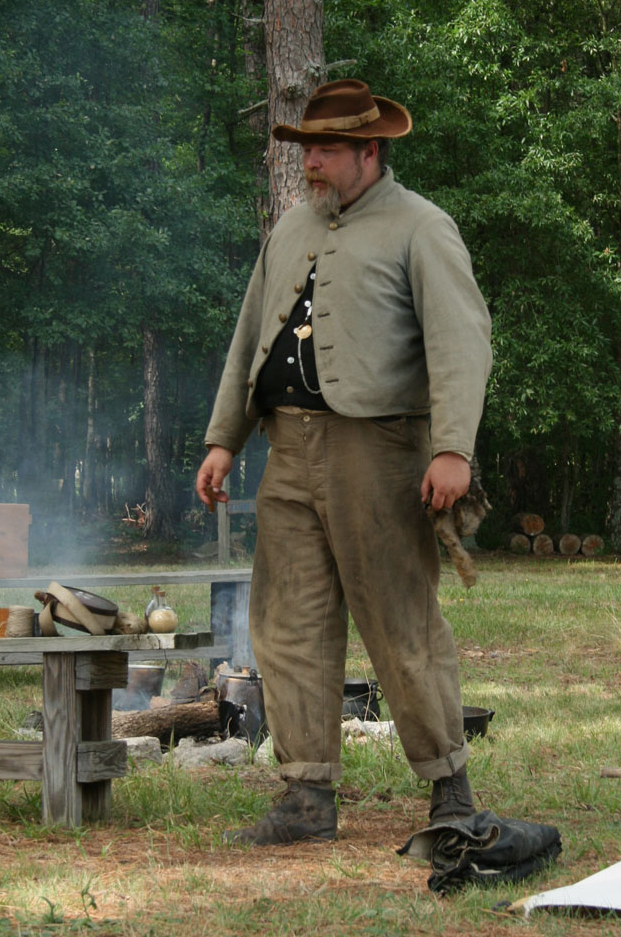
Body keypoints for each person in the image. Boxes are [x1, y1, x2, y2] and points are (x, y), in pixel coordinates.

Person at [196, 78, 492, 847]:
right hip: (287, 451)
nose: (313, 163)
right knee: (289, 624)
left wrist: (453, 446)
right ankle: (304, 797)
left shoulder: (421, 228)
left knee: (400, 622)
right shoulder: (291, 228)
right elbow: (249, 335)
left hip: (380, 452)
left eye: (326, 150)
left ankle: (450, 791)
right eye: (308, 149)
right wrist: (224, 438)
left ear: (370, 150)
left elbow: (462, 343)